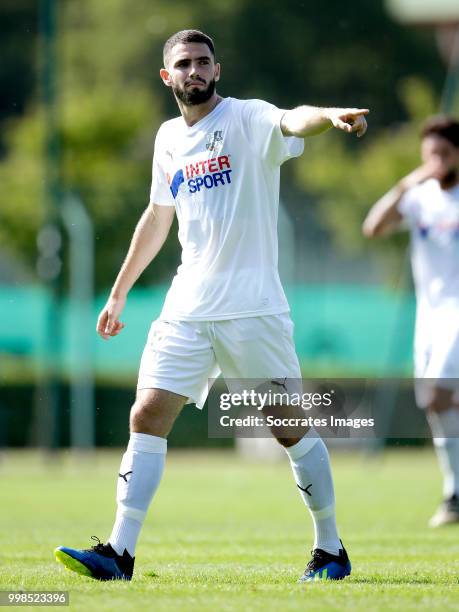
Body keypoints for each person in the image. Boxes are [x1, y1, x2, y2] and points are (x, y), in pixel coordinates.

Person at [54, 29, 368, 582]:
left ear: (217, 70)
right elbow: (157, 216)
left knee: (287, 427)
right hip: (187, 307)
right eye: (184, 63)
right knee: (147, 414)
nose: (194, 70)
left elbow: (291, 119)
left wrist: (329, 114)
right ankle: (119, 553)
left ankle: (330, 548)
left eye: (204, 62)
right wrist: (120, 289)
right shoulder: (168, 138)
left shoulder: (246, 119)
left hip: (253, 309)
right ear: (167, 76)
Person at [363, 116, 459, 527]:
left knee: (439, 393)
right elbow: (374, 227)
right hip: (430, 314)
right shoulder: (419, 197)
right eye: (430, 153)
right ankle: (455, 492)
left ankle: (455, 495)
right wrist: (406, 183)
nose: (436, 160)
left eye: (444, 153)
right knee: (434, 402)